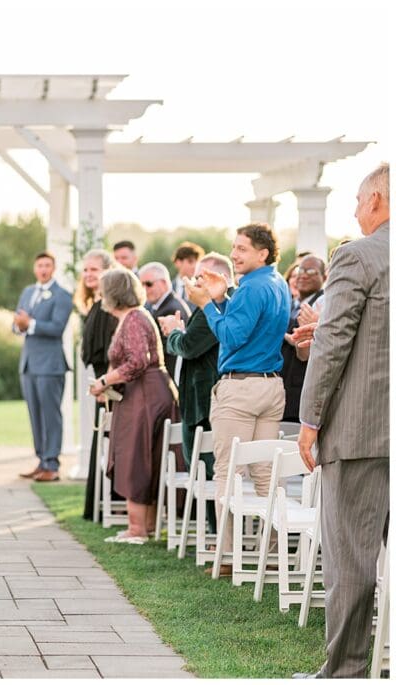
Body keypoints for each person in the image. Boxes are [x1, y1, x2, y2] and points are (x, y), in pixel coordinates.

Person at [294, 163, 389, 679]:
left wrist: (310, 420)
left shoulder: (358, 255)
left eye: (356, 200)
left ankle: (347, 671)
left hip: (361, 433)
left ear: (376, 200)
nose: (354, 211)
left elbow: (333, 345)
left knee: (351, 560)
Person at [186, 223, 290, 577]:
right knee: (266, 472)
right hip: (271, 386)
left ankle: (228, 556)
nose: (234, 254)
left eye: (242, 249)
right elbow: (253, 324)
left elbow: (231, 334)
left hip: (241, 388)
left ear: (262, 253)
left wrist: (206, 307)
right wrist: (220, 298)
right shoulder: (277, 284)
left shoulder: (250, 288)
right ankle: (272, 553)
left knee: (228, 471)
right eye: (234, 247)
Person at [89, 268, 176, 544]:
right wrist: (110, 386)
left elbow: (138, 361)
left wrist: (104, 380)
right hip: (142, 392)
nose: (100, 294)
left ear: (113, 293)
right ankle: (145, 526)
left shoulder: (135, 318)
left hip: (146, 395)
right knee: (141, 456)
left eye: (104, 289)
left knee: (136, 456)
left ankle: (137, 528)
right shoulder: (132, 317)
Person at [159, 252, 235, 533]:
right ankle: (216, 536)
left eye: (200, 277)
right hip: (199, 397)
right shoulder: (212, 308)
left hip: (204, 401)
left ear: (219, 279)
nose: (193, 282)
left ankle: (219, 538)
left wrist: (173, 333)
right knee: (202, 470)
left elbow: (189, 346)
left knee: (207, 470)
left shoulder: (212, 310)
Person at [12, 251, 73, 482]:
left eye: (48, 265)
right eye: (40, 265)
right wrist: (19, 325)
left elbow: (57, 328)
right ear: (34, 268)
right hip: (28, 364)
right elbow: (17, 325)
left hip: (50, 365)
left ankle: (53, 464)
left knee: (51, 416)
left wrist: (31, 323)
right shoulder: (28, 292)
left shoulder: (62, 296)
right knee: (35, 415)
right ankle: (41, 461)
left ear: (53, 268)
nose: (43, 269)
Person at [76, 249, 120, 520]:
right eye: (86, 270)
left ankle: (112, 503)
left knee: (111, 441)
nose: (89, 274)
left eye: (94, 269)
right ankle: (98, 505)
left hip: (111, 386)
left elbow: (112, 350)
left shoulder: (109, 308)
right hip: (100, 382)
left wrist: (106, 385)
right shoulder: (95, 304)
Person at [280, 254, 326, 421]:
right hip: (282, 383)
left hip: (301, 388)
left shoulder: (322, 303)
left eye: (312, 271)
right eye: (301, 269)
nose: (304, 274)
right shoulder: (290, 303)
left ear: (324, 277)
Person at [138, 261, 190, 380]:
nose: (144, 289)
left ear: (164, 283)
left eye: (149, 284)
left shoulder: (171, 309)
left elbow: (166, 351)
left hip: (168, 379)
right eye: (141, 285)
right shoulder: (160, 306)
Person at [171, 241, 205, 307]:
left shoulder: (202, 288)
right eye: (190, 261)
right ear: (178, 262)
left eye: (197, 262)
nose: (194, 266)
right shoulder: (169, 288)